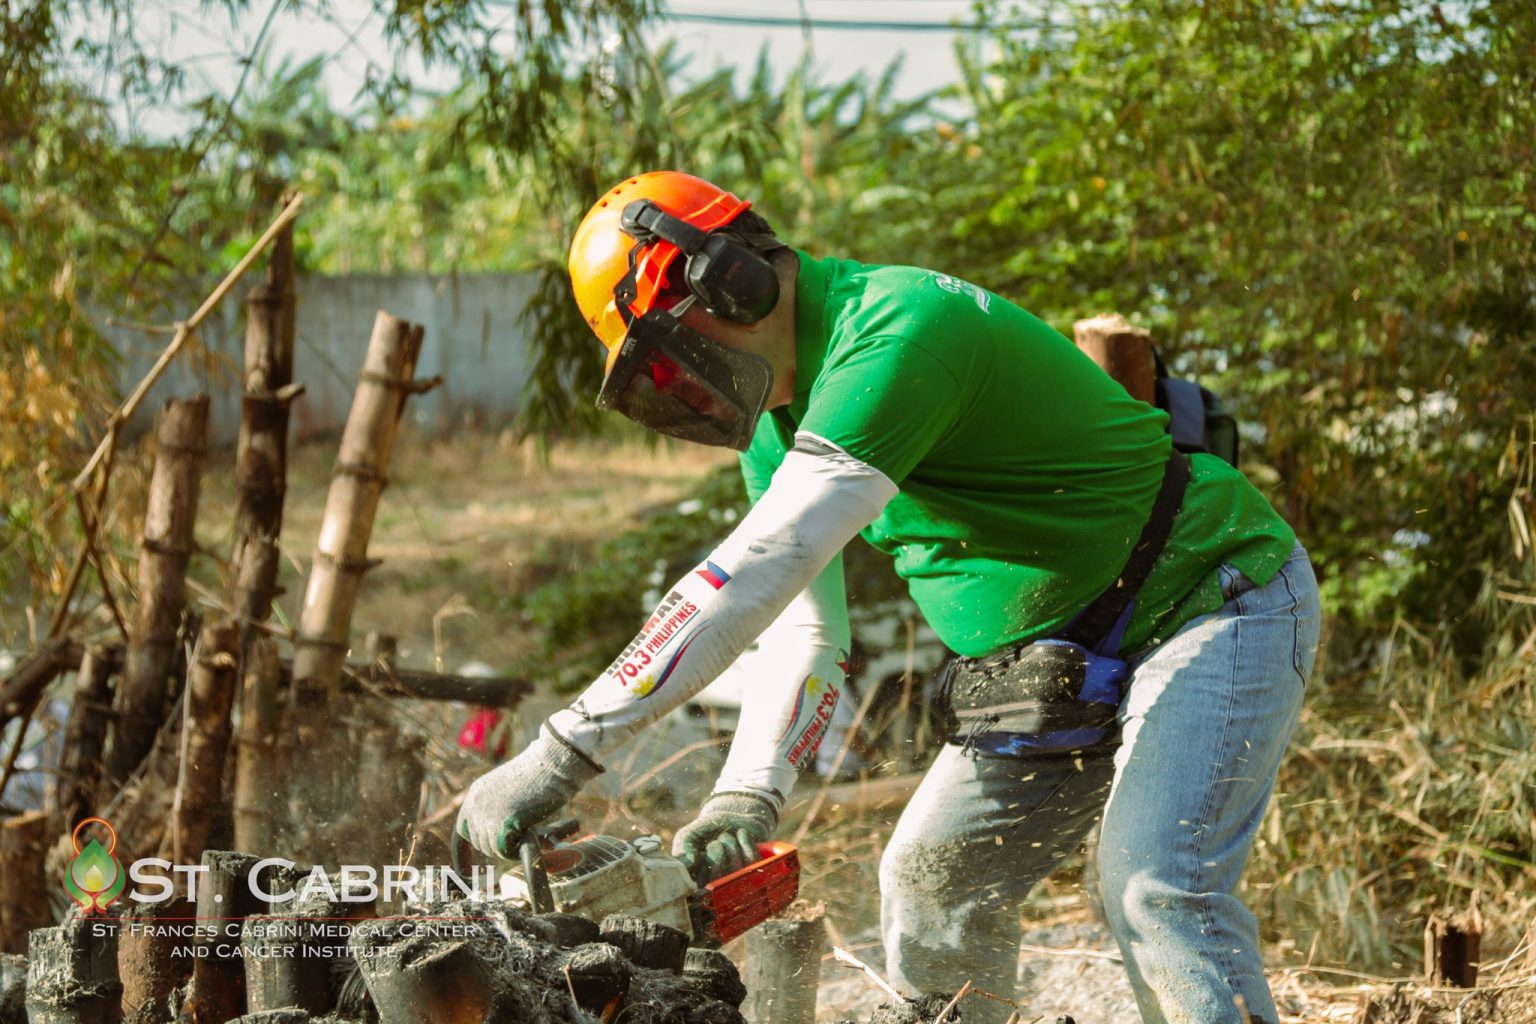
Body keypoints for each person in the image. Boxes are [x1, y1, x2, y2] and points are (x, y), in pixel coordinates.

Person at [457, 171, 1321, 1024]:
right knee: (933, 880)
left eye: (668, 350)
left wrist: (561, 752)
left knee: (1152, 885)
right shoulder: (777, 425)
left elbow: (751, 570)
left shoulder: (897, 329)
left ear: (724, 278)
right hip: (1061, 663)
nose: (682, 381)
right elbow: (805, 629)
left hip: (1214, 597)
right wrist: (747, 794)